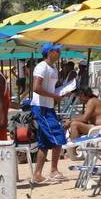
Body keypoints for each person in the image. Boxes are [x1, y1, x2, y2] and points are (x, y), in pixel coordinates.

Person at [30, 43, 67, 183]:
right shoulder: (41, 67)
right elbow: (36, 88)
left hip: (48, 106)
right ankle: (53, 170)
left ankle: (37, 175)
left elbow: (51, 87)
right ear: (49, 52)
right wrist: (54, 96)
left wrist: (61, 91)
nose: (59, 53)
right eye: (57, 50)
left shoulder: (53, 68)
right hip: (41, 107)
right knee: (59, 136)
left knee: (44, 143)